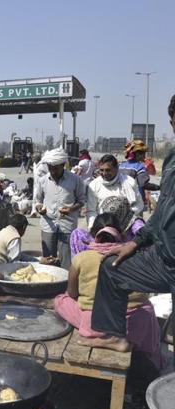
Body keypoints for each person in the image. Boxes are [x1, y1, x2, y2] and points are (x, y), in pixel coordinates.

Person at [85, 95, 175, 352]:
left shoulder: (127, 181)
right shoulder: (171, 160)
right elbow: (161, 211)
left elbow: (137, 205)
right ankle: (114, 335)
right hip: (163, 259)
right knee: (112, 269)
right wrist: (135, 243)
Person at [54, 213, 162, 367]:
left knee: (60, 300)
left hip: (96, 323)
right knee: (147, 307)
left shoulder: (82, 258)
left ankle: (103, 338)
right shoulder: (135, 256)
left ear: (93, 234)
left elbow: (72, 294)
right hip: (136, 322)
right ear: (121, 233)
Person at [34, 148, 86, 269]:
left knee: (66, 259)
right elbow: (37, 201)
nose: (53, 171)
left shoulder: (75, 180)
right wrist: (39, 208)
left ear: (63, 165)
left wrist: (71, 209)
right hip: (48, 224)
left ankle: (65, 284)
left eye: (56, 168)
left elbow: (81, 201)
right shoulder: (42, 181)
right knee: (48, 260)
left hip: (67, 225)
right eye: (50, 168)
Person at [85, 154, 143, 229]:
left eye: (108, 170)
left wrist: (127, 225)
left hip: (127, 228)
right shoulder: (94, 185)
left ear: (116, 168)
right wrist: (94, 229)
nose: (104, 173)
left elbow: (138, 206)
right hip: (103, 229)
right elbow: (91, 211)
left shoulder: (129, 182)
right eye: (101, 170)